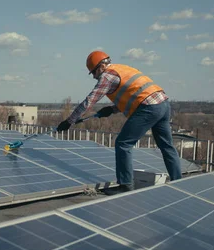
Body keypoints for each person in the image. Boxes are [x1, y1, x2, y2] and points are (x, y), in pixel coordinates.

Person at [56, 50, 182, 195]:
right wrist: (112, 109)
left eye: (94, 73)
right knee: (167, 146)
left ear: (100, 67)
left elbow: (89, 101)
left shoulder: (107, 76)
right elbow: (134, 95)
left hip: (149, 107)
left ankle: (126, 185)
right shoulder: (122, 68)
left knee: (123, 143)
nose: (95, 77)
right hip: (163, 104)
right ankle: (178, 182)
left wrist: (69, 121)